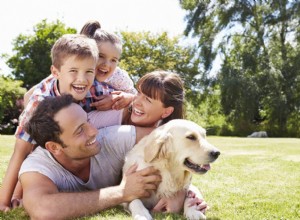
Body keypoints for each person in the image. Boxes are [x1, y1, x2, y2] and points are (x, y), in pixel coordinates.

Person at [19, 94, 161, 219]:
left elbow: (170, 137)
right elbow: (43, 210)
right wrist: (122, 192)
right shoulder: (37, 166)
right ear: (54, 147)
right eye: (80, 130)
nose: (94, 131)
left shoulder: (112, 139)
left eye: (88, 121)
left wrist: (181, 194)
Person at [0, 33, 99, 211]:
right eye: (74, 71)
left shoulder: (95, 87)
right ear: (55, 72)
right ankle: (17, 193)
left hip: (70, 125)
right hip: (43, 118)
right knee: (33, 147)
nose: (82, 79)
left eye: (89, 72)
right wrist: (4, 201)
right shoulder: (39, 103)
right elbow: (20, 152)